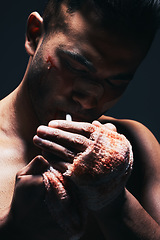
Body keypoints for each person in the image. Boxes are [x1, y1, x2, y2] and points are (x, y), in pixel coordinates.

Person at [0, 0, 160, 239]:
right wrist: (12, 228)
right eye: (76, 67)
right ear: (35, 36)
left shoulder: (137, 146)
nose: (89, 99)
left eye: (116, 83)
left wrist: (114, 201)